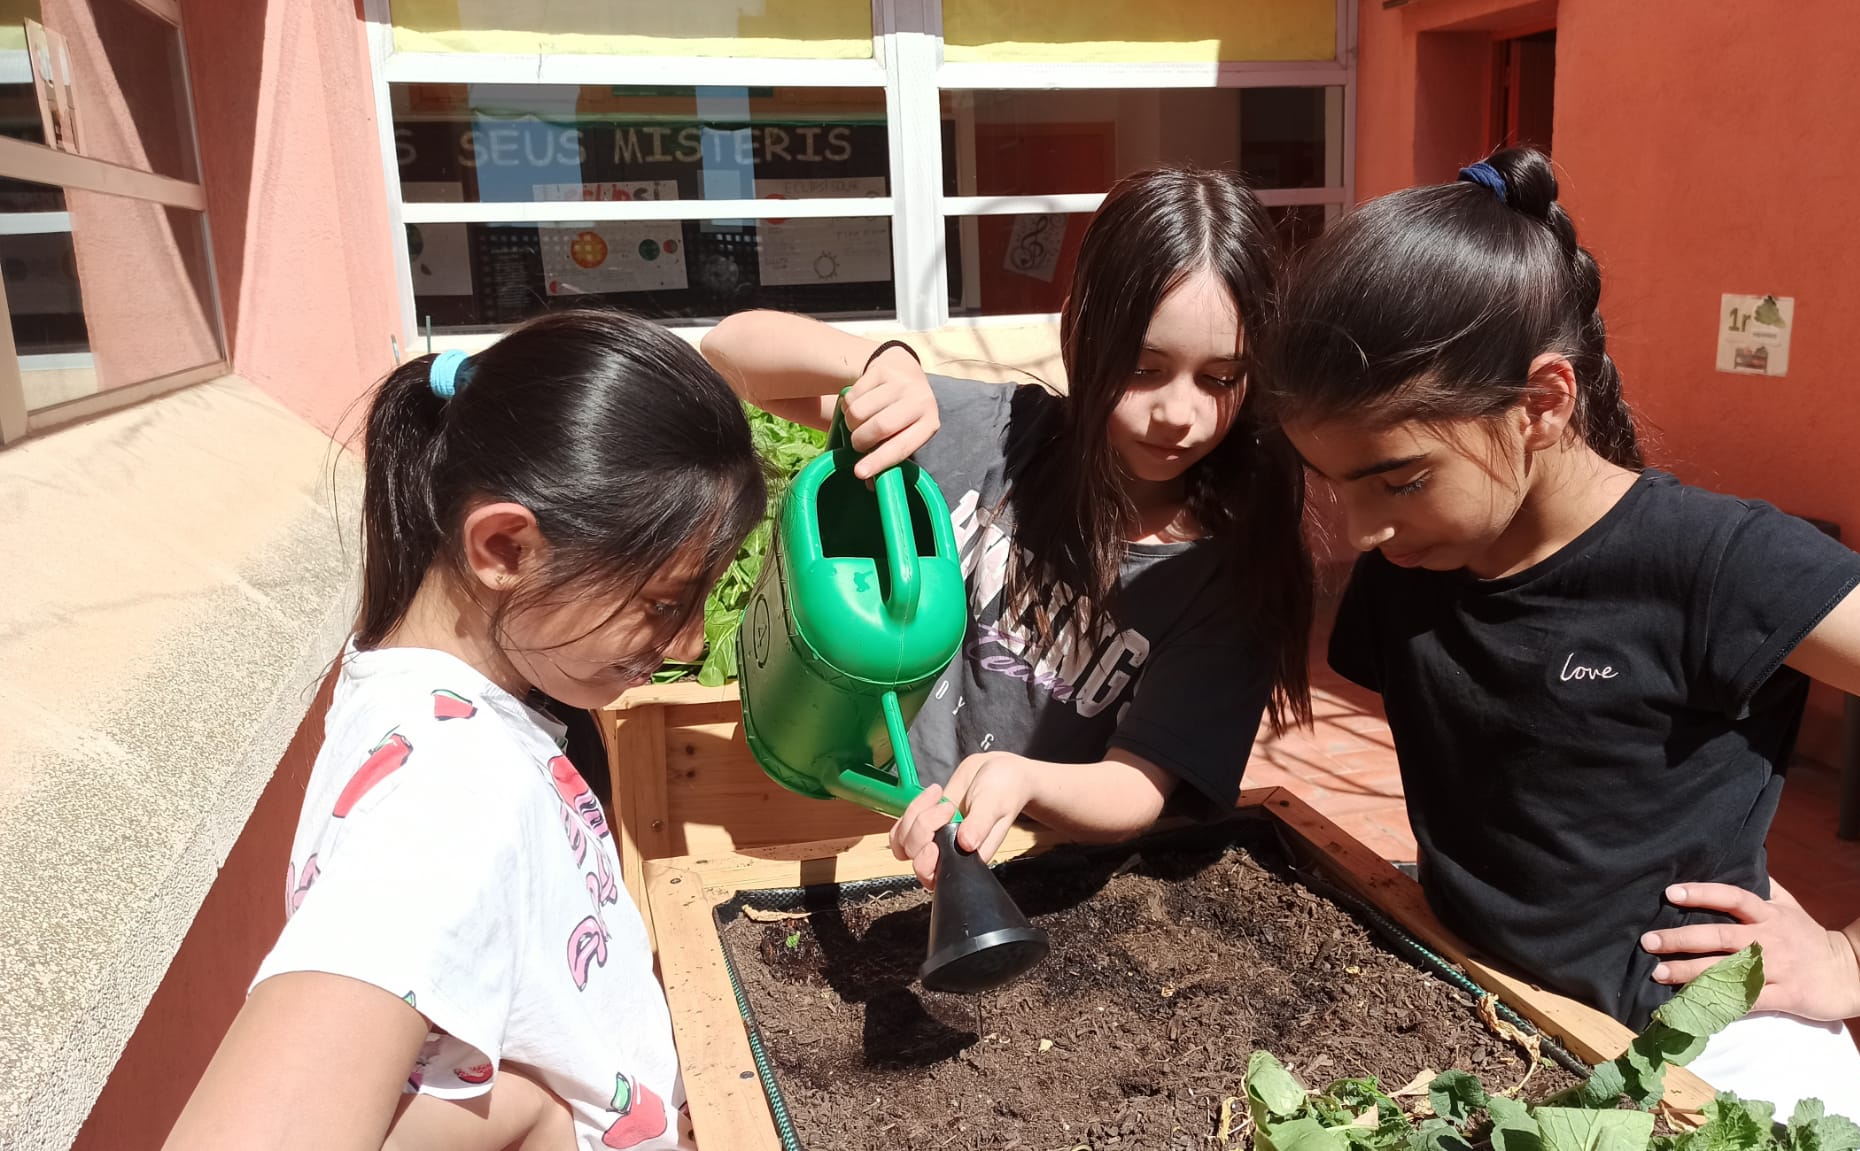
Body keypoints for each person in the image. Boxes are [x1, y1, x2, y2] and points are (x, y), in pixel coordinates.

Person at [1263, 147, 1860, 1147]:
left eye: (1399, 479)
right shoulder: (1415, 560)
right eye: (1332, 482)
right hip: (1496, 1027)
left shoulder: (1719, 564)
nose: (1361, 528)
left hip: (1707, 1057)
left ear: (1542, 404)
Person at [166, 310, 767, 1151]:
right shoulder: (450, 791)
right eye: (665, 602)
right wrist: (533, 1119)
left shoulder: (435, 699)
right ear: (505, 547)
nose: (693, 642)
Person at [702, 166, 1313, 887]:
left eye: (1219, 378)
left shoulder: (1228, 578)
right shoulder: (989, 432)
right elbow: (730, 350)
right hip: (872, 851)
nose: (1179, 413)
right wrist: (881, 364)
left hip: (1032, 878)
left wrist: (1025, 780)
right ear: (1076, 332)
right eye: (1145, 368)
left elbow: (1140, 784)